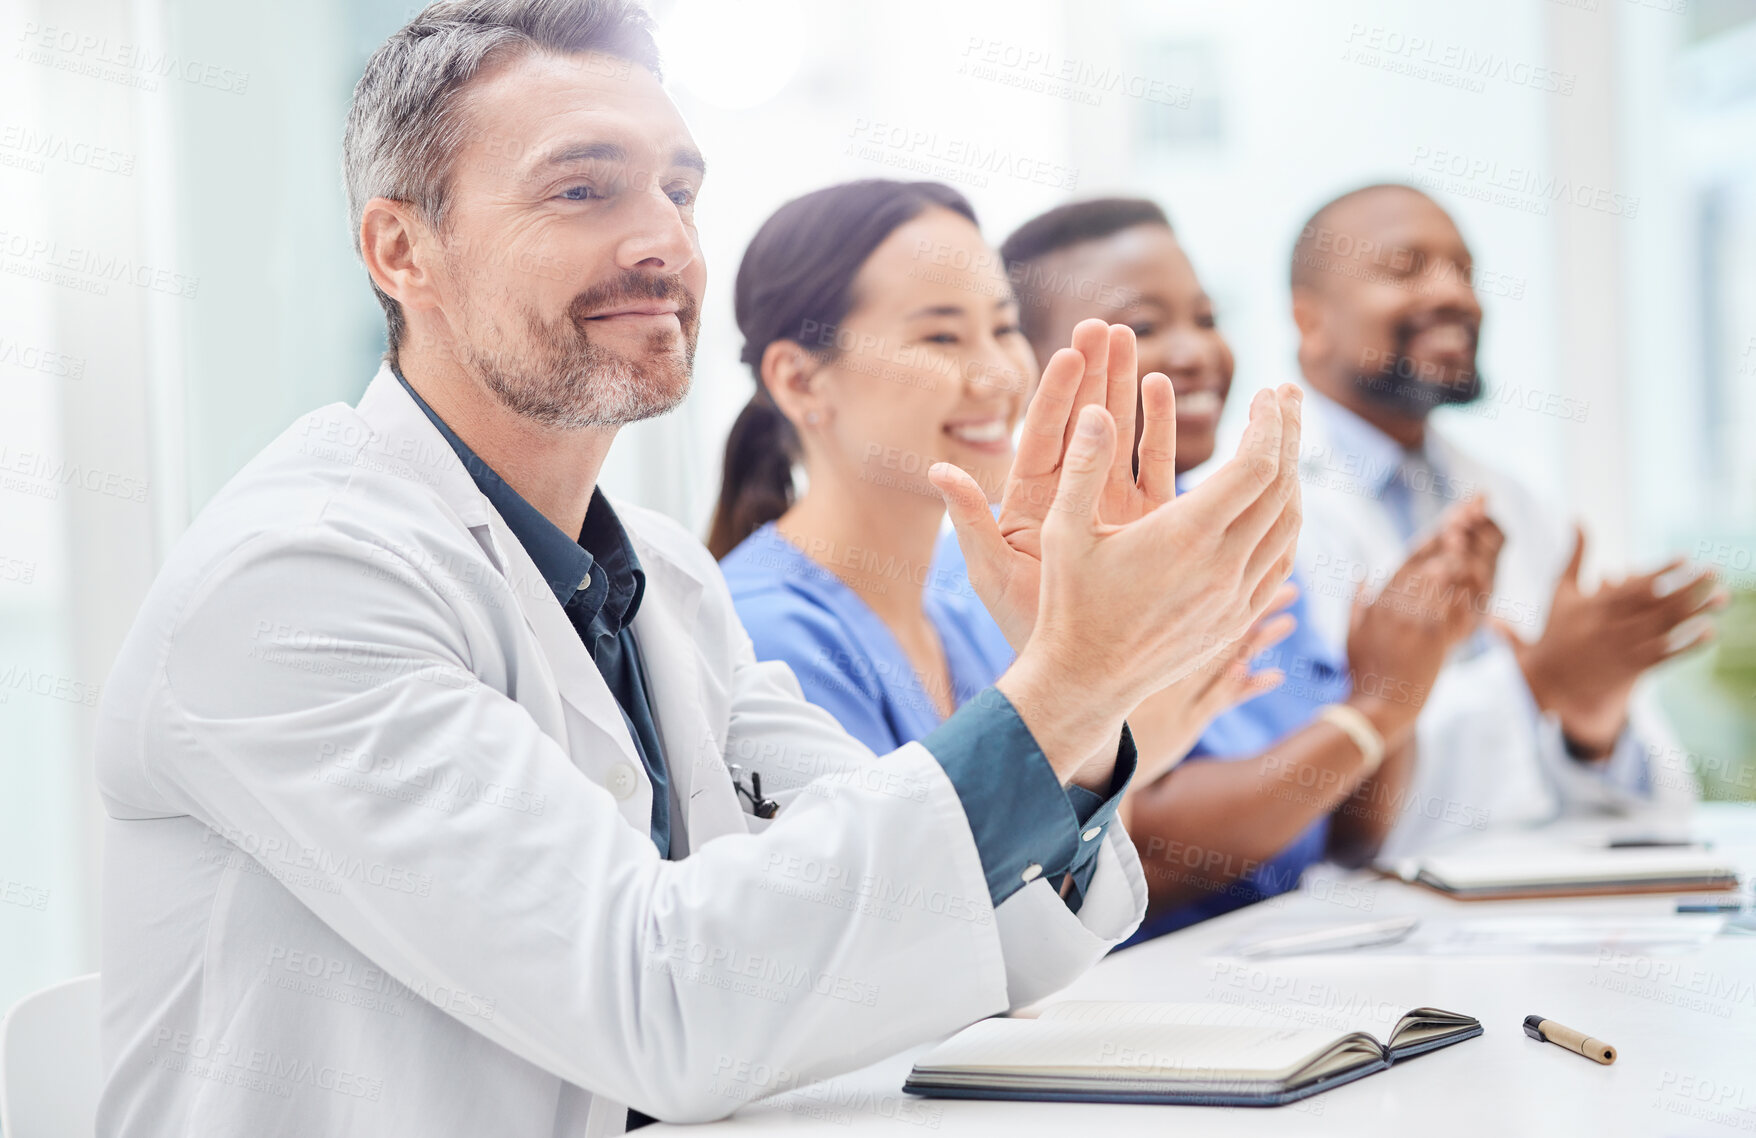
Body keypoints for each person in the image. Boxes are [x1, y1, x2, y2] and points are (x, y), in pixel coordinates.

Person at [91, 2, 1306, 1134]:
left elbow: (943, 921)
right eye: (582, 189)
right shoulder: (296, 581)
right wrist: (1071, 681)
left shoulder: (663, 581)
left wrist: (1082, 719)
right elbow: (657, 999)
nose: (661, 240)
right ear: (401, 249)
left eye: (680, 188)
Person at [989, 197, 1501, 938]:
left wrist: (1398, 670)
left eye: (1205, 318)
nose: (1196, 351)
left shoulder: (1235, 550)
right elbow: (1148, 854)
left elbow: (1348, 832)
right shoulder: (1016, 579)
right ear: (1028, 366)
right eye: (1144, 326)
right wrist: (1373, 713)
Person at [1287, 183, 1721, 856]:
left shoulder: (1514, 501)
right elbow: (1326, 813)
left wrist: (1594, 721)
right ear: (1309, 321)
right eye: (1406, 268)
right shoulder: (1264, 506)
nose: (1454, 295)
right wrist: (1538, 683)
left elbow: (1654, 805)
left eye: (1464, 271)